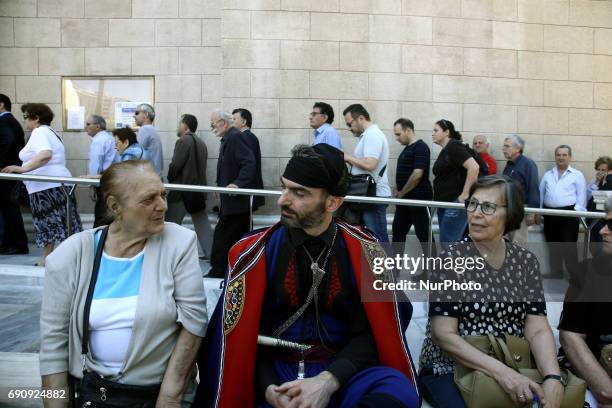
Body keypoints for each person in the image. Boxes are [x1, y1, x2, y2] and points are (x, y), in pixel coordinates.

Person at [195, 143, 420, 408]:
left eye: (299, 193)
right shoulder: (250, 253)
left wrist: (328, 381)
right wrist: (268, 388)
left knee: (398, 390)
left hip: (344, 372)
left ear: (333, 202)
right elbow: (236, 335)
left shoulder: (370, 251)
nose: (282, 200)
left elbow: (379, 330)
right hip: (271, 373)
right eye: (284, 187)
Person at [39, 160, 207, 407]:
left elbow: (194, 323)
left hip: (157, 394)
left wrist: (169, 398)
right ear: (114, 206)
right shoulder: (72, 254)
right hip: (96, 394)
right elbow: (53, 344)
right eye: (148, 199)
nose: (162, 205)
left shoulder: (179, 243)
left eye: (163, 194)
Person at [419, 175, 564, 408]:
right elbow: (443, 334)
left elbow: (537, 327)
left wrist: (552, 378)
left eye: (487, 207)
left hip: (513, 360)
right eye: (473, 204)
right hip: (450, 367)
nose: (476, 213)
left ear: (511, 214)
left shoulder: (525, 261)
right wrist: (503, 374)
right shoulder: (450, 260)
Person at [1, 103, 82, 265]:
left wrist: (23, 169)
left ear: (36, 118)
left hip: (46, 186)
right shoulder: (50, 132)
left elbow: (45, 154)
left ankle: (50, 258)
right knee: (60, 222)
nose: (24, 121)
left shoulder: (39, 132)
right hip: (54, 184)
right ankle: (52, 258)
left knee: (48, 222)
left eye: (25, 117)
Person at [558, 196, 612, 408]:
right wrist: (605, 389)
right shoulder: (585, 272)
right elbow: (570, 336)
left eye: (611, 225)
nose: (602, 231)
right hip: (595, 373)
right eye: (604, 224)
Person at [209, 109, 258, 278]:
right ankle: (227, 270)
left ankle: (218, 271)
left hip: (236, 201)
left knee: (223, 237)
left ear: (223, 123)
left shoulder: (235, 137)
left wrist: (237, 184)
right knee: (232, 238)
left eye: (213, 123)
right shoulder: (229, 138)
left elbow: (249, 164)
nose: (211, 127)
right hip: (230, 200)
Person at [165, 114, 214, 261]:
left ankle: (168, 256)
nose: (177, 126)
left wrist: (170, 178)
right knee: (202, 224)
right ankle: (212, 254)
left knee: (170, 225)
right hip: (198, 192)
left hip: (181, 191)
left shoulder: (183, 141)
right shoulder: (201, 143)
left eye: (179, 123)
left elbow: (175, 165)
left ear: (185, 126)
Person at [343, 104, 391, 242]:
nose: (349, 128)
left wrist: (347, 157)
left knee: (379, 240)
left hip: (374, 195)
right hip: (369, 194)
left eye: (349, 123)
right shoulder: (368, 135)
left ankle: (388, 264)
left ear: (361, 118)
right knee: (374, 239)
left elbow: (370, 164)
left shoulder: (372, 135)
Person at [540, 145, 586, 279]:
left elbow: (581, 197)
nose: (561, 157)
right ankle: (556, 272)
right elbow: (541, 193)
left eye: (564, 155)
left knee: (569, 245)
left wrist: (575, 213)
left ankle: (574, 274)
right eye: (558, 155)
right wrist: (539, 212)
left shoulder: (577, 175)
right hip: (550, 215)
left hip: (569, 215)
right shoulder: (548, 175)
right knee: (553, 244)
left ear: (570, 157)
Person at [431, 119, 479, 244]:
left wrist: (465, 195)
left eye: (436, 130)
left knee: (449, 244)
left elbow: (474, 167)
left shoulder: (453, 146)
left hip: (454, 204)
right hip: (446, 204)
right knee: (449, 244)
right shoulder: (446, 149)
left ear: (446, 132)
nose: (432, 133)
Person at [392, 118, 434, 256]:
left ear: (408, 130)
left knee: (424, 236)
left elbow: (417, 174)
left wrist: (402, 192)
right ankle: (394, 271)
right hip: (405, 200)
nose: (397, 138)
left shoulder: (421, 147)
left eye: (398, 134)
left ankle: (433, 272)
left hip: (418, 199)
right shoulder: (408, 149)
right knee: (398, 233)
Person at [0, 93, 28, 254]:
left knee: (7, 209)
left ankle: (12, 243)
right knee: (10, 208)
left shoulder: (3, 121)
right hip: (12, 171)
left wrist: (1, 164)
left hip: (6, 172)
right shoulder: (13, 122)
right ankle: (16, 242)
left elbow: (7, 140)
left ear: (1, 105)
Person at [502, 134, 540, 244]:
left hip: (522, 210)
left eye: (507, 146)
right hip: (508, 209)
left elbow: (533, 188)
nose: (504, 149)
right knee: (507, 242)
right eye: (504, 146)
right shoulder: (509, 165)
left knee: (518, 243)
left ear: (518, 148)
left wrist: (532, 212)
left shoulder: (528, 164)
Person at [81, 114, 117, 227]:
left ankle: (99, 242)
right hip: (111, 180)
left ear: (97, 126)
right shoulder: (108, 138)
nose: (85, 127)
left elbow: (95, 164)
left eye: (88, 124)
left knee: (101, 214)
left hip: (103, 181)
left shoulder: (99, 141)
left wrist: (92, 184)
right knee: (108, 212)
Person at [232, 108, 265, 211]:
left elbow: (246, 165)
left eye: (234, 119)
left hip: (244, 193)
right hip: (244, 193)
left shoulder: (247, 137)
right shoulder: (246, 137)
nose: (232, 122)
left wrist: (237, 184)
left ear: (244, 122)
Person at [586, 156, 612, 249]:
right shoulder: (595, 180)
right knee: (593, 246)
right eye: (599, 169)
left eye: (604, 170)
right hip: (593, 219)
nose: (601, 172)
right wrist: (597, 182)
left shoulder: (610, 180)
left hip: (604, 220)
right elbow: (588, 196)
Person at [134, 103, 163, 177]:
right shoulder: (151, 129)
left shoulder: (145, 129)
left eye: (137, 113)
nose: (134, 116)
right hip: (154, 176)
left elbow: (135, 155)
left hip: (148, 178)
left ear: (146, 114)